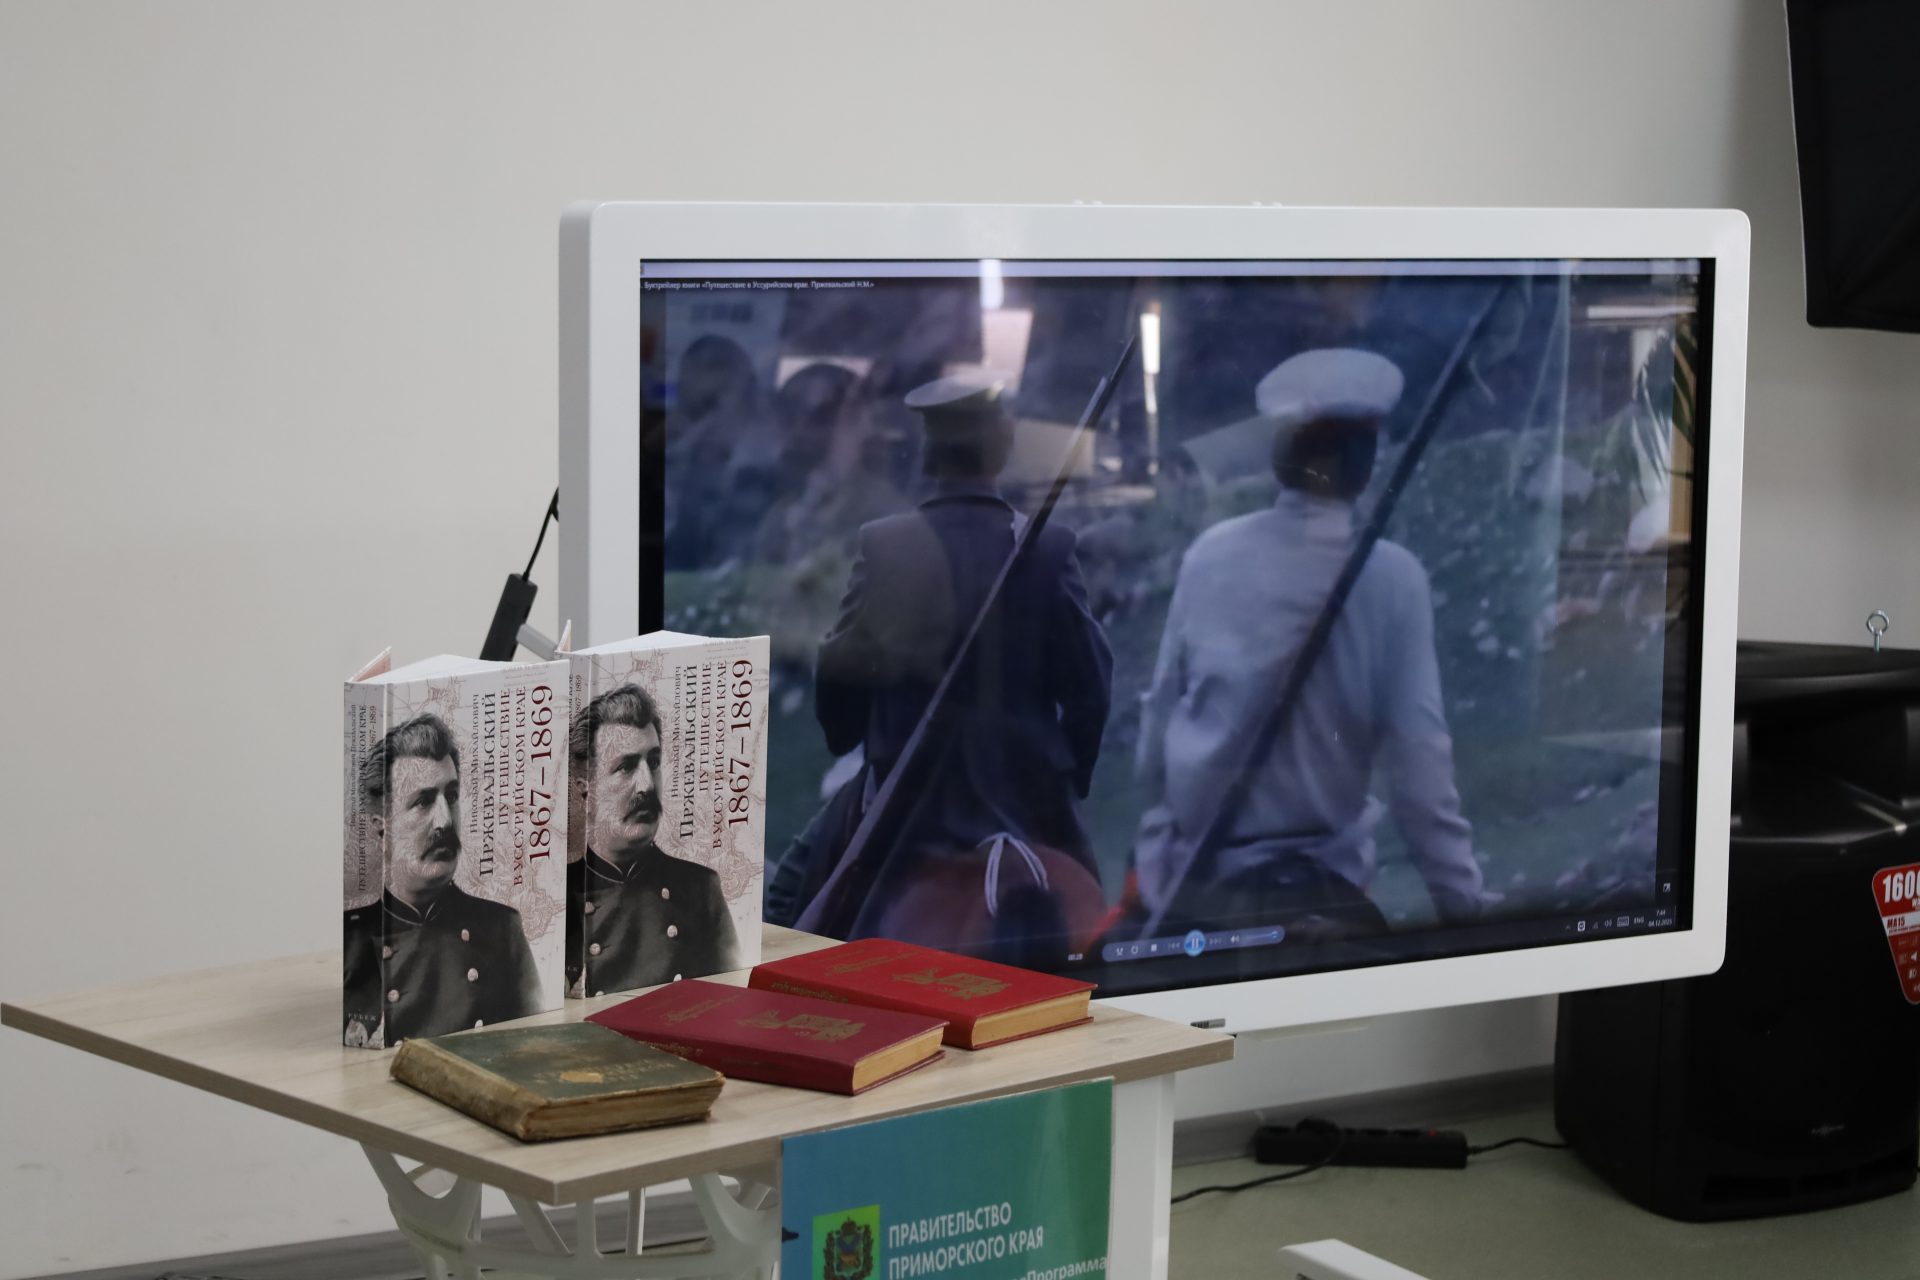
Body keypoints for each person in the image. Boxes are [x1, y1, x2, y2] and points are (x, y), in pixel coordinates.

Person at [1134, 348, 1486, 941]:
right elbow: (1420, 770)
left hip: (1198, 890)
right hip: (1327, 892)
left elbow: (1157, 736)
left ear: (1282, 455)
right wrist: (1465, 908)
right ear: (1366, 462)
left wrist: (1158, 842)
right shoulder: (1392, 578)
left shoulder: (1211, 556)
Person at [782, 372, 1114, 949]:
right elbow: (1091, 688)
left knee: (789, 895)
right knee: (1095, 934)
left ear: (930, 455)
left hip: (908, 801)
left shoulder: (887, 545)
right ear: (1001, 446)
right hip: (1028, 795)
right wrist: (1066, 781)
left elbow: (840, 672)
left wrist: (848, 735)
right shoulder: (1049, 546)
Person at [343, 714, 542, 1046]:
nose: (445, 821)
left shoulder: (501, 929)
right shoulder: (352, 940)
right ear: (381, 826)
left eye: (450, 796)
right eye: (423, 802)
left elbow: (529, 1040)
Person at [567, 683, 740, 996]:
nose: (646, 785)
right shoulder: (561, 896)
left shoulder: (700, 888)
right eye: (626, 766)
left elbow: (729, 990)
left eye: (654, 762)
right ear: (585, 790)